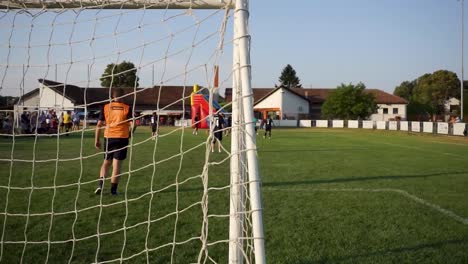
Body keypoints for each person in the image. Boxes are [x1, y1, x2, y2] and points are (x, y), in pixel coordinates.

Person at [95, 88, 134, 195]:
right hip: (122, 138)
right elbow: (134, 124)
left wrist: (97, 140)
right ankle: (113, 191)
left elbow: (99, 125)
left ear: (112, 97)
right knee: (117, 165)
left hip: (109, 137)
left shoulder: (106, 107)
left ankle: (100, 185)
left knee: (106, 162)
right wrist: (131, 133)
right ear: (123, 96)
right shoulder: (127, 108)